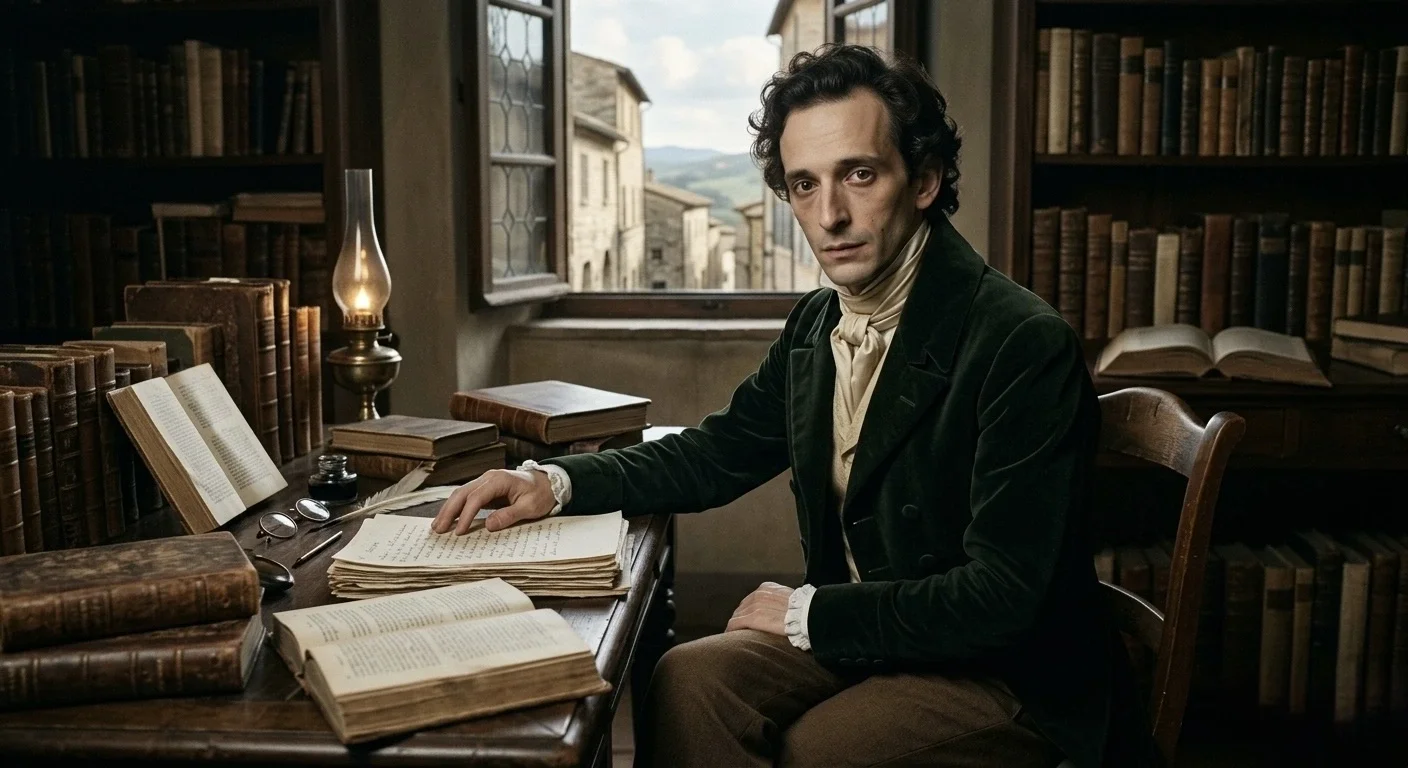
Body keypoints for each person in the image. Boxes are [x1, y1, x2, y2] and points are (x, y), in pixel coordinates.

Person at [434, 44, 1157, 768]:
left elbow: (1005, 598)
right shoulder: (816, 325)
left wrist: (810, 612)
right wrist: (552, 483)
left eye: (860, 175)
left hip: (1007, 673)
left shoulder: (1022, 342)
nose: (830, 215)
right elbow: (718, 452)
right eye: (804, 185)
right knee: (685, 681)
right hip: (869, 637)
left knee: (814, 751)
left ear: (927, 179)